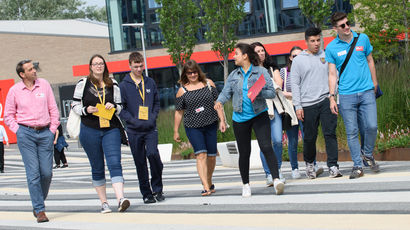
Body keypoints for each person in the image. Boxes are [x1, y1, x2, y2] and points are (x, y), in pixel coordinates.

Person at [215, 43, 284, 197]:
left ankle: (277, 180)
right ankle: (246, 184)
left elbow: (271, 93)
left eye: (236, 53)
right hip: (240, 119)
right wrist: (219, 101)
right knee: (244, 152)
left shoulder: (261, 71)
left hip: (259, 115)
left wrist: (257, 93)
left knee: (267, 146)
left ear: (245, 56)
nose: (234, 56)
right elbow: (226, 93)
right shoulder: (233, 75)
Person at [72, 54, 130, 213]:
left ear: (105, 66)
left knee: (115, 162)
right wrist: (86, 110)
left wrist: (114, 106)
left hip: (110, 128)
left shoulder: (113, 83)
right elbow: (74, 105)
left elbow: (120, 106)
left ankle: (121, 198)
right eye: (95, 64)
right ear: (90, 67)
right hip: (89, 129)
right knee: (97, 166)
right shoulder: (83, 83)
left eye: (101, 63)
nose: (99, 66)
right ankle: (104, 203)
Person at [4, 59, 60, 222]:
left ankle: (38, 202)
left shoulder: (44, 85)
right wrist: (18, 131)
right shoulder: (15, 90)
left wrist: (51, 130)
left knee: (47, 173)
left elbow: (53, 109)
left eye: (34, 68)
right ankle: (40, 209)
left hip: (45, 133)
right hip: (25, 134)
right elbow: (8, 115)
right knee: (33, 173)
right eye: (30, 69)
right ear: (22, 74)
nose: (34, 71)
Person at [326, 12, 380, 179]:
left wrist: (375, 82)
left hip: (366, 91)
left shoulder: (362, 39)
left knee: (371, 126)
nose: (347, 27)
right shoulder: (331, 48)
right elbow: (332, 74)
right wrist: (332, 96)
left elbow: (370, 60)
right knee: (352, 131)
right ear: (335, 29)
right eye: (342, 25)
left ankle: (368, 154)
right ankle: (357, 165)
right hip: (347, 95)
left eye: (348, 23)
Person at [291, 27, 342, 179]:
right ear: (306, 42)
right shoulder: (299, 60)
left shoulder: (327, 56)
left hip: (326, 100)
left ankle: (333, 166)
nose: (316, 43)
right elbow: (295, 83)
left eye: (318, 40)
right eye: (312, 41)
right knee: (310, 137)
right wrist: (298, 106)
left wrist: (334, 99)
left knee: (330, 134)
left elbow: (334, 77)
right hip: (307, 104)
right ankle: (310, 165)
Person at [174, 59, 226, 196]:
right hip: (193, 126)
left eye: (195, 72)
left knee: (212, 156)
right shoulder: (182, 91)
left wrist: (222, 120)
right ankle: (205, 186)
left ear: (198, 72)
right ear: (185, 74)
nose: (192, 75)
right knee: (201, 155)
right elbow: (179, 112)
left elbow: (217, 103)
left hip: (210, 123)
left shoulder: (208, 84)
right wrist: (175, 131)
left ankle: (208, 180)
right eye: (189, 73)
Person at [119, 51, 165, 204]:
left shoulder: (149, 82)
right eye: (136, 66)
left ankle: (158, 189)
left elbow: (157, 102)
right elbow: (122, 109)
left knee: (153, 155)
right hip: (134, 130)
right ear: (130, 65)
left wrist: (152, 116)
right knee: (140, 162)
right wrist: (132, 121)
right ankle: (146, 193)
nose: (139, 69)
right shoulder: (124, 86)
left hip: (150, 128)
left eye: (141, 66)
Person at [250, 42, 286, 185]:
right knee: (265, 143)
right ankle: (268, 174)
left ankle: (277, 170)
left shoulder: (272, 67)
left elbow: (278, 84)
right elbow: (252, 91)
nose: (261, 53)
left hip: (274, 107)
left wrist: (262, 85)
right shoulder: (250, 70)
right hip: (259, 110)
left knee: (277, 140)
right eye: (258, 51)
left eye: (262, 50)